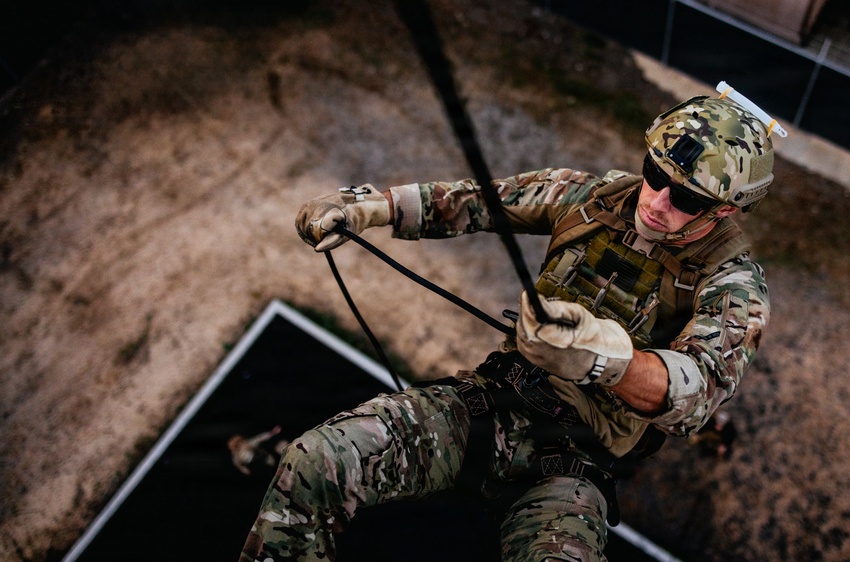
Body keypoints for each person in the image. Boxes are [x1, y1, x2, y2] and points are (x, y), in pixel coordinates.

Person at [239, 91, 776, 562]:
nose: (657, 202)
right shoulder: (592, 199)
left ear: (725, 212)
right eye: (654, 174)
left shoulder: (734, 285)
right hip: (491, 404)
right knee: (318, 462)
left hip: (571, 467)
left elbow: (700, 388)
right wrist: (369, 208)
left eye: (685, 199)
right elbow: (480, 202)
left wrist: (606, 359)